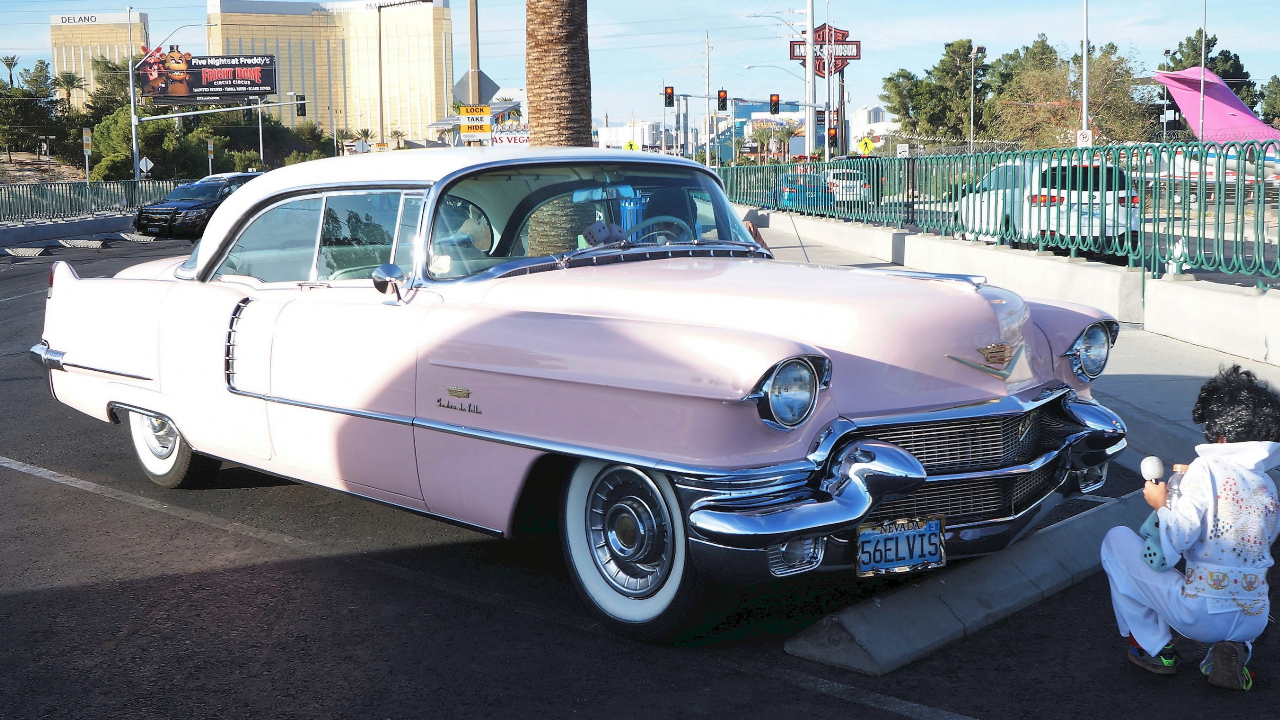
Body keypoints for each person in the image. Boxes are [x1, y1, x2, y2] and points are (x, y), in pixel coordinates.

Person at [1100, 365, 1280, 690]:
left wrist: (1160, 503)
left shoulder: (1206, 469)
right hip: (1254, 617)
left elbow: (1170, 549)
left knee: (1117, 542)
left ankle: (1154, 648)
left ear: (1221, 436)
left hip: (1201, 614)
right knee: (1232, 589)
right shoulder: (1266, 484)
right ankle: (1233, 648)